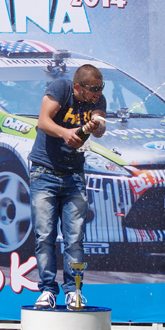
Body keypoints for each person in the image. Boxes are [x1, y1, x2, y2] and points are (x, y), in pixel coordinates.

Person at [28, 64, 107, 310]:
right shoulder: (60, 88)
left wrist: (97, 124)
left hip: (74, 175)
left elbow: (100, 129)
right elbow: (43, 122)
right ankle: (47, 290)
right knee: (45, 236)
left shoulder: (98, 99)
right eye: (94, 89)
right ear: (78, 87)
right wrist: (65, 133)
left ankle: (74, 290)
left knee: (74, 238)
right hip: (44, 173)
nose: (98, 93)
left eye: (101, 88)